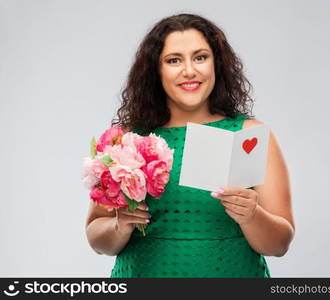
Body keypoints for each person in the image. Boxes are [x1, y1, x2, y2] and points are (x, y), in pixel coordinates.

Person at [85, 13, 295, 278]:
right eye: (174, 60)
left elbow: (279, 245)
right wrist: (119, 225)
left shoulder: (248, 135)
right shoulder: (127, 140)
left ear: (216, 64)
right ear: (155, 70)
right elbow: (96, 238)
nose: (189, 70)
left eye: (200, 57)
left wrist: (252, 216)